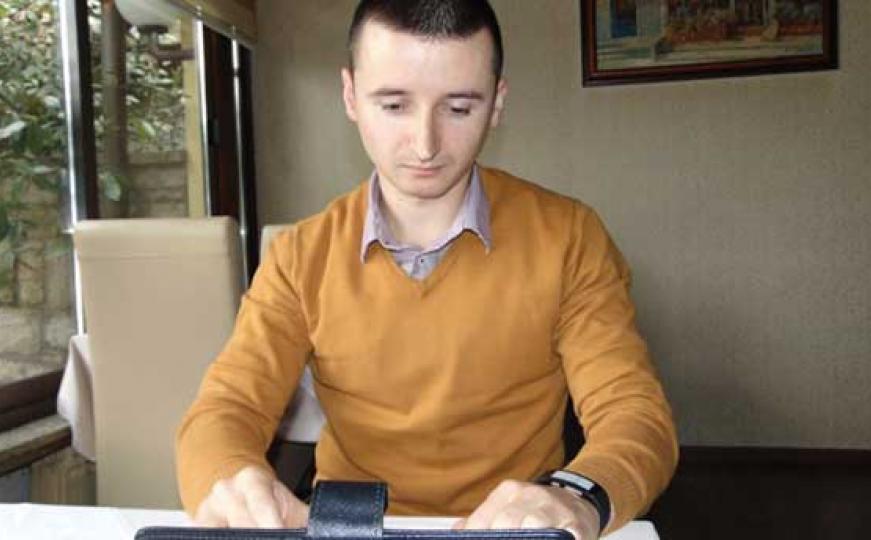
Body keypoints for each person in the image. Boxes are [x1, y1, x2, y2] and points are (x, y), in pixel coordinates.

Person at [176, 1, 678, 539]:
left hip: (511, 532)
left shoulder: (569, 237)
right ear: (350, 96)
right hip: (351, 528)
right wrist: (234, 480)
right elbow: (226, 409)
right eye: (394, 105)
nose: (425, 144)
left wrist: (576, 496)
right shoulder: (299, 257)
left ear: (497, 103)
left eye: (458, 109)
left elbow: (633, 413)